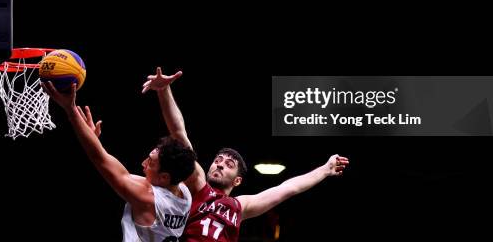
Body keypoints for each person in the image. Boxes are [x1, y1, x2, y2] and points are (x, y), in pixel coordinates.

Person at [142, 68, 350, 242]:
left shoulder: (241, 206)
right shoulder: (197, 185)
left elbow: (289, 188)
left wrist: (326, 169)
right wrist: (164, 90)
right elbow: (179, 134)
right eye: (217, 161)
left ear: (238, 180)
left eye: (229, 164)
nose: (220, 165)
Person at [42, 81, 197, 242]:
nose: (143, 164)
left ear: (164, 177)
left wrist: (70, 109)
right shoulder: (185, 193)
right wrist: (94, 141)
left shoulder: (147, 196)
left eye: (150, 162)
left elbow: (100, 159)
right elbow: (181, 138)